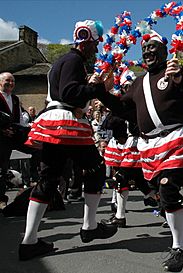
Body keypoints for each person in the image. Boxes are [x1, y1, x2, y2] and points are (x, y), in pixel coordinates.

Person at [96, 30, 183, 272]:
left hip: (178, 138)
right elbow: (123, 109)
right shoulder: (138, 83)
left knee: (167, 186)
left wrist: (181, 81)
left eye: (153, 48)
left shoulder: (176, 70)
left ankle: (179, 248)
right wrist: (100, 93)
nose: (147, 52)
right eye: (144, 49)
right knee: (163, 193)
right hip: (151, 145)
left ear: (164, 51)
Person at [19, 20, 118, 261]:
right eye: (95, 45)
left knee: (48, 179)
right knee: (96, 170)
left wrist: (94, 85)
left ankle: (29, 241)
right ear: (87, 42)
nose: (96, 49)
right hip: (66, 123)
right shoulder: (74, 61)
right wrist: (93, 88)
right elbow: (70, 93)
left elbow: (66, 90)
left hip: (55, 121)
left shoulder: (59, 63)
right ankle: (89, 226)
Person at [0, 72, 24, 209]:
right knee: (1, 169)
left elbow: (19, 119)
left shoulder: (14, 98)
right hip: (1, 138)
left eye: (13, 81)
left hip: (12, 137)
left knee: (4, 169)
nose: (10, 83)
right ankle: (1, 199)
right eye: (7, 81)